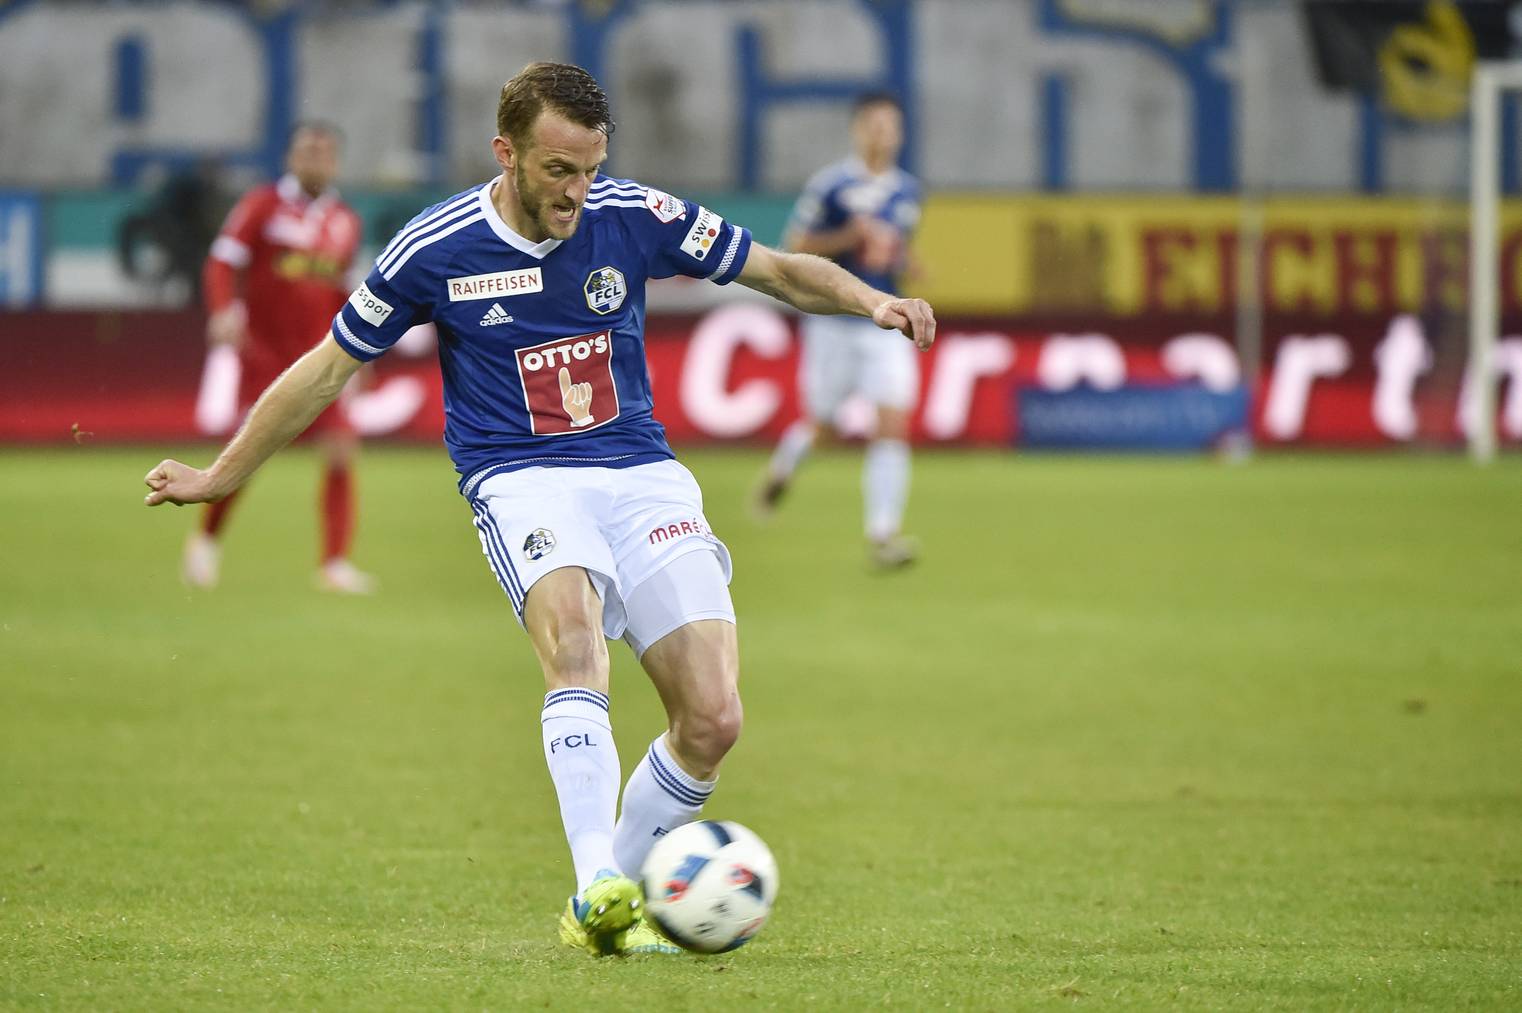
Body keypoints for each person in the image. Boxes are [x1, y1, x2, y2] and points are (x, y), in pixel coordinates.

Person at [144, 63, 935, 956]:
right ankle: (597, 875)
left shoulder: (631, 214)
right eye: (559, 170)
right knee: (575, 641)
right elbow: (327, 368)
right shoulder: (433, 247)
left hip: (640, 471)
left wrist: (874, 299)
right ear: (506, 152)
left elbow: (778, 268)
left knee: (714, 717)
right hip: (518, 476)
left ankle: (610, 909)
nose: (577, 191)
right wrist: (221, 474)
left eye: (591, 168)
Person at [182, 121, 375, 594]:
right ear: (291, 157)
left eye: (325, 152)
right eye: (308, 150)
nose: (316, 160)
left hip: (320, 357)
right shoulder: (262, 205)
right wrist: (225, 309)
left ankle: (333, 562)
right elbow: (223, 260)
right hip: (264, 354)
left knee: (340, 449)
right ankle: (206, 539)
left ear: (335, 162)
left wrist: (362, 351)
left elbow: (344, 292)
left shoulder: (345, 220)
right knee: (250, 453)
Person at [754, 92, 924, 568]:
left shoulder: (908, 190)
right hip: (834, 323)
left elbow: (895, 250)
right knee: (824, 427)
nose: (882, 134)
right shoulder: (831, 186)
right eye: (874, 124)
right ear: (858, 129)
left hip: (885, 323)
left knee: (892, 422)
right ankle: (784, 466)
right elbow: (796, 245)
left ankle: (883, 535)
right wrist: (849, 237)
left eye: (891, 126)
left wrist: (908, 263)